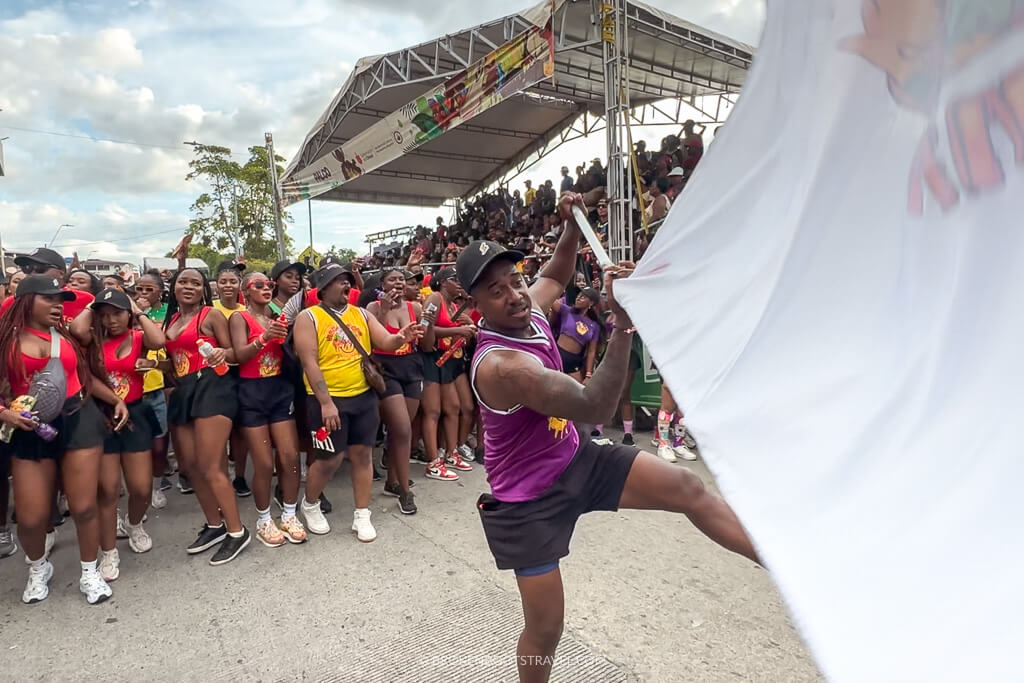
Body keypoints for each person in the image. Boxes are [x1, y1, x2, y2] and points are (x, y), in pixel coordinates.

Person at [458, 194, 759, 683]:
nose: (513, 294)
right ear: (476, 302)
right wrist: (622, 321)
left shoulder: (528, 306)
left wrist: (571, 224)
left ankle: (785, 571)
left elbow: (555, 274)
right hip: (528, 501)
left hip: (576, 459)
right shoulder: (501, 366)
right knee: (545, 630)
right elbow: (596, 406)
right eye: (496, 290)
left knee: (687, 489)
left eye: (514, 279)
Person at [0, 275, 129, 604]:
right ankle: (38, 566)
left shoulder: (66, 338)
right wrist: (4, 413)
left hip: (78, 420)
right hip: (30, 427)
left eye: (61, 300)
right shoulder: (5, 340)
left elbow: (82, 379)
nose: (58, 305)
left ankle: (89, 570)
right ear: (27, 301)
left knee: (84, 506)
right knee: (31, 517)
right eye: (49, 299)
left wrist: (115, 399)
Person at [292, 263, 422, 541]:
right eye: (339, 281)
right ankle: (310, 503)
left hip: (363, 397)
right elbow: (309, 362)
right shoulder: (308, 317)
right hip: (326, 401)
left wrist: (401, 337)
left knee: (362, 456)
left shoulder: (361, 314)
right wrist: (326, 402)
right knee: (330, 459)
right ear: (323, 288)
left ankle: (362, 514)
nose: (346, 284)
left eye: (347, 280)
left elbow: (385, 342)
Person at [71, 288, 166, 581]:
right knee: (108, 490)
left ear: (128, 314)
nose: (111, 320)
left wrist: (136, 309)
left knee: (141, 488)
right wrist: (93, 302)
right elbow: (77, 330)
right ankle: (108, 551)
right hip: (103, 416)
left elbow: (159, 341)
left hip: (136, 415)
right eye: (105, 314)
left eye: (117, 313)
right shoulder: (92, 342)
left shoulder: (138, 339)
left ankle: (134, 523)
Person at [163, 268, 250, 565]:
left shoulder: (210, 315)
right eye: (183, 282)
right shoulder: (172, 320)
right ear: (173, 288)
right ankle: (215, 525)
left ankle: (237, 531)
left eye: (195, 283)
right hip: (185, 390)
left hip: (213, 387)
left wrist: (220, 354)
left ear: (204, 289)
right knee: (190, 466)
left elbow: (235, 353)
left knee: (212, 466)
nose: (188, 286)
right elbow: (176, 361)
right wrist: (154, 365)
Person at [228, 271, 307, 547]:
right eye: (258, 285)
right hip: (251, 392)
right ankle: (263, 519)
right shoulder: (240, 317)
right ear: (246, 291)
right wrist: (263, 339)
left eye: (269, 284)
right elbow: (238, 355)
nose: (266, 288)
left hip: (279, 390)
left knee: (290, 457)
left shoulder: (277, 316)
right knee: (262, 463)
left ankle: (288, 513)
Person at [366, 268, 437, 515]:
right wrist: (384, 310)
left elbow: (426, 345)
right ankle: (406, 491)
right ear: (382, 284)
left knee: (402, 430)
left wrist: (428, 323)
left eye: (400, 279)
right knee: (402, 428)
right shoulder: (372, 309)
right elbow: (376, 341)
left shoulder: (415, 308)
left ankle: (392, 482)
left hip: (412, 366)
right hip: (387, 369)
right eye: (392, 279)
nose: (397, 283)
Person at [421, 267, 476, 481]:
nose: (460, 283)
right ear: (443, 282)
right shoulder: (434, 299)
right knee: (433, 411)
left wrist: (468, 328)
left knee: (453, 407)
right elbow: (425, 330)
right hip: (432, 359)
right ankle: (433, 462)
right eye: (455, 279)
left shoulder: (454, 304)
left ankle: (451, 453)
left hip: (449, 361)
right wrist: (457, 331)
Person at [133, 270, 173, 503]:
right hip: (132, 388)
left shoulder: (169, 312)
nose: (144, 293)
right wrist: (137, 312)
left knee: (159, 445)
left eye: (149, 289)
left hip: (158, 383)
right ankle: (142, 489)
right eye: (139, 289)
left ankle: (157, 486)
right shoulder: (127, 313)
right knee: (137, 447)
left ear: (161, 291)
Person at [213, 261, 251, 498]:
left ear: (240, 285)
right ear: (216, 285)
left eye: (232, 281)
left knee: (240, 430)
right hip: (216, 376)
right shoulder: (209, 308)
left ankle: (239, 476)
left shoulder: (246, 312)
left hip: (242, 373)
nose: (228, 285)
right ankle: (219, 477)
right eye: (223, 281)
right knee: (218, 431)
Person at [2, 248, 94, 323]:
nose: (32, 273)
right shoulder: (12, 302)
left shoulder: (86, 300)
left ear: (61, 273)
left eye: (40, 269)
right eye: (27, 269)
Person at [548, 288, 601, 383]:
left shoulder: (595, 326)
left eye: (584, 296)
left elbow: (591, 351)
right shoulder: (566, 311)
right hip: (557, 354)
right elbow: (550, 299)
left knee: (579, 393)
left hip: (574, 362)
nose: (579, 298)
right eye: (579, 295)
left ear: (591, 303)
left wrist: (588, 375)